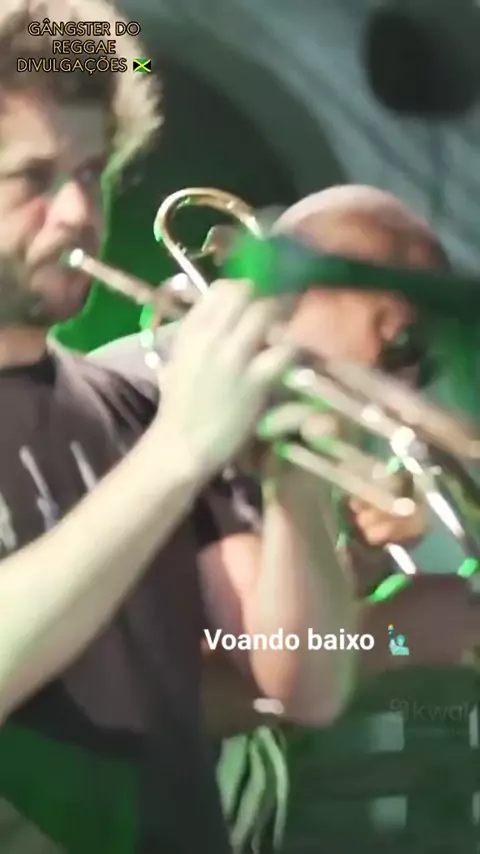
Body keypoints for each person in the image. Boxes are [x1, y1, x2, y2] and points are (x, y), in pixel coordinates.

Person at [0, 6, 359, 854]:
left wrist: (297, 474)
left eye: (92, 172)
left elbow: (304, 680)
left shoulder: (137, 406)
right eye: (33, 178)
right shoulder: (171, 434)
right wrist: (179, 453)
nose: (77, 211)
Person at [92, 184, 480, 854]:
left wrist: (357, 562)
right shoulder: (149, 402)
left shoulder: (279, 424)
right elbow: (161, 687)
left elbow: (248, 637)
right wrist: (391, 636)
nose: (408, 377)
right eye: (402, 340)